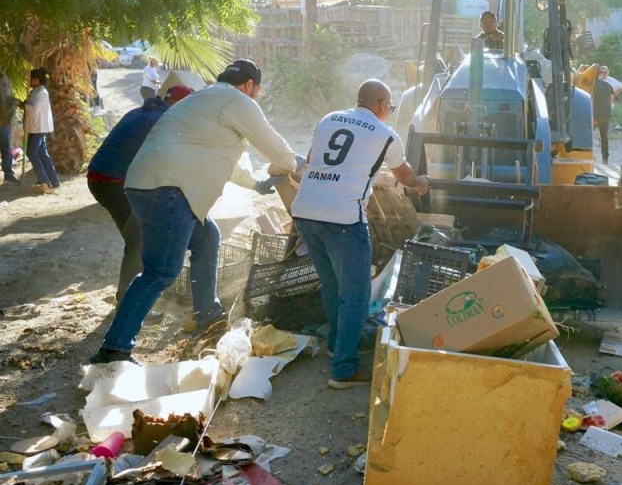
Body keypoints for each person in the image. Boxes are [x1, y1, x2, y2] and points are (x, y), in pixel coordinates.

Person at [91, 59, 299, 364]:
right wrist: (299, 167)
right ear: (249, 85)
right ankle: (115, 347)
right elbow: (275, 148)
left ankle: (208, 316)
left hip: (144, 185)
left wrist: (257, 185)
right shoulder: (238, 101)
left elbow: (222, 161)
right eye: (256, 90)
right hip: (170, 191)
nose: (255, 96)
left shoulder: (203, 98)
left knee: (207, 237)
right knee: (159, 272)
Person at [291, 79, 429, 389]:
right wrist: (420, 182)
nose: (389, 112)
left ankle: (337, 344)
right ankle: (344, 369)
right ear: (382, 105)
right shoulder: (384, 134)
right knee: (356, 295)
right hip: (343, 219)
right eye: (390, 108)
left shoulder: (328, 119)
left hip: (306, 211)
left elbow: (314, 160)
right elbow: (404, 175)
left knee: (330, 284)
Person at [87, 85, 194, 304]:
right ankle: (128, 300)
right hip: (113, 182)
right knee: (139, 239)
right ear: (180, 104)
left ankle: (133, 294)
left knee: (138, 235)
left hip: (98, 177)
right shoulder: (164, 120)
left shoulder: (141, 112)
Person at [23, 68, 60, 193]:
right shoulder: (35, 91)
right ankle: (53, 180)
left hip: (40, 127)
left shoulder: (42, 92)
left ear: (36, 80)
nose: (27, 82)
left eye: (30, 79)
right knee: (42, 153)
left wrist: (23, 105)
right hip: (37, 127)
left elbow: (34, 108)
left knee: (31, 152)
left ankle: (44, 180)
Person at [593, 66, 615, 165]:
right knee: (604, 137)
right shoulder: (608, 86)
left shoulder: (593, 85)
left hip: (595, 116)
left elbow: (591, 99)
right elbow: (611, 100)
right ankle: (605, 158)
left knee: (588, 134)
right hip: (605, 115)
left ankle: (590, 156)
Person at [0, 72, 19, 184]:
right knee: (6, 149)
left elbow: (7, 99)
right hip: (4, 120)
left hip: (5, 120)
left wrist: (16, 102)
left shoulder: (5, 78)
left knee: (6, 149)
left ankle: (8, 174)